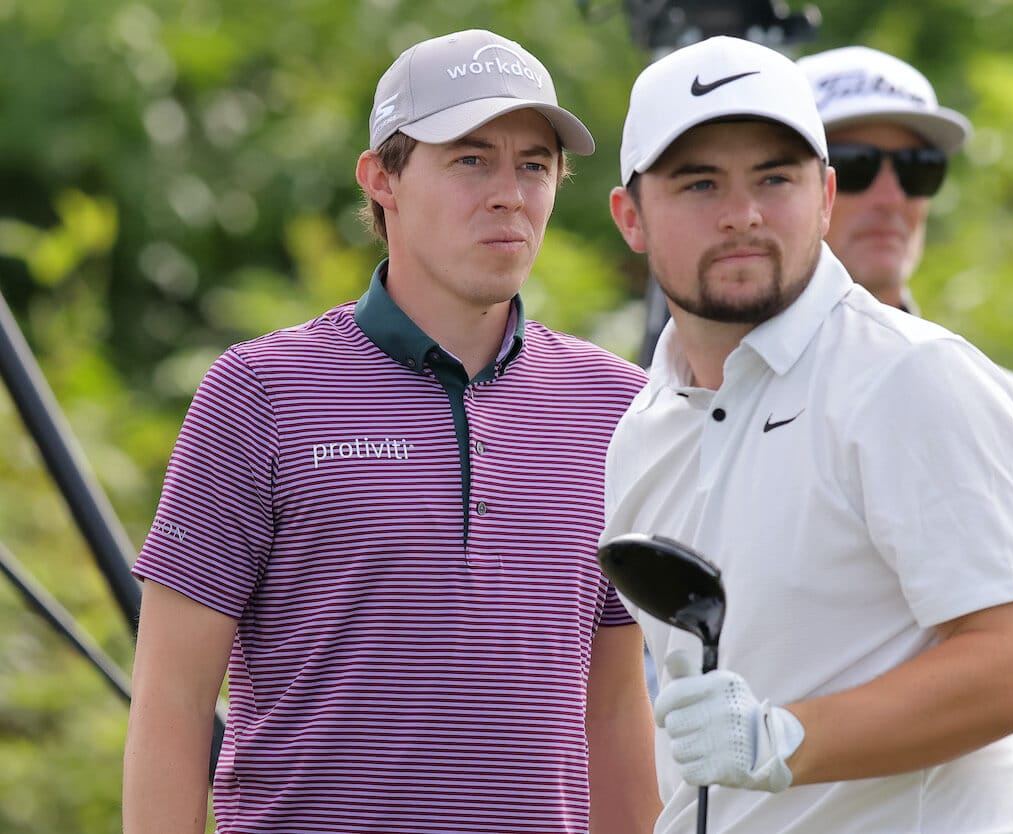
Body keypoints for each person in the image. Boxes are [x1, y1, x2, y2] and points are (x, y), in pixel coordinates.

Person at [123, 29, 660, 834]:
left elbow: (615, 712)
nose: (509, 193)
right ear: (383, 179)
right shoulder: (260, 392)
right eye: (470, 159)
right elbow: (173, 698)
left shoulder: (618, 405)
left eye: (535, 164)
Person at [604, 35, 1013, 833]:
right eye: (699, 181)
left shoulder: (910, 378)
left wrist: (784, 739)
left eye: (775, 178)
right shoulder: (641, 432)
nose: (742, 212)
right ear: (630, 217)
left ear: (823, 197)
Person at [796, 44, 1013, 764]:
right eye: (854, 166)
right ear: (798, 188)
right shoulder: (679, 402)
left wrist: (956, 684)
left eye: (918, 170)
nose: (891, 198)